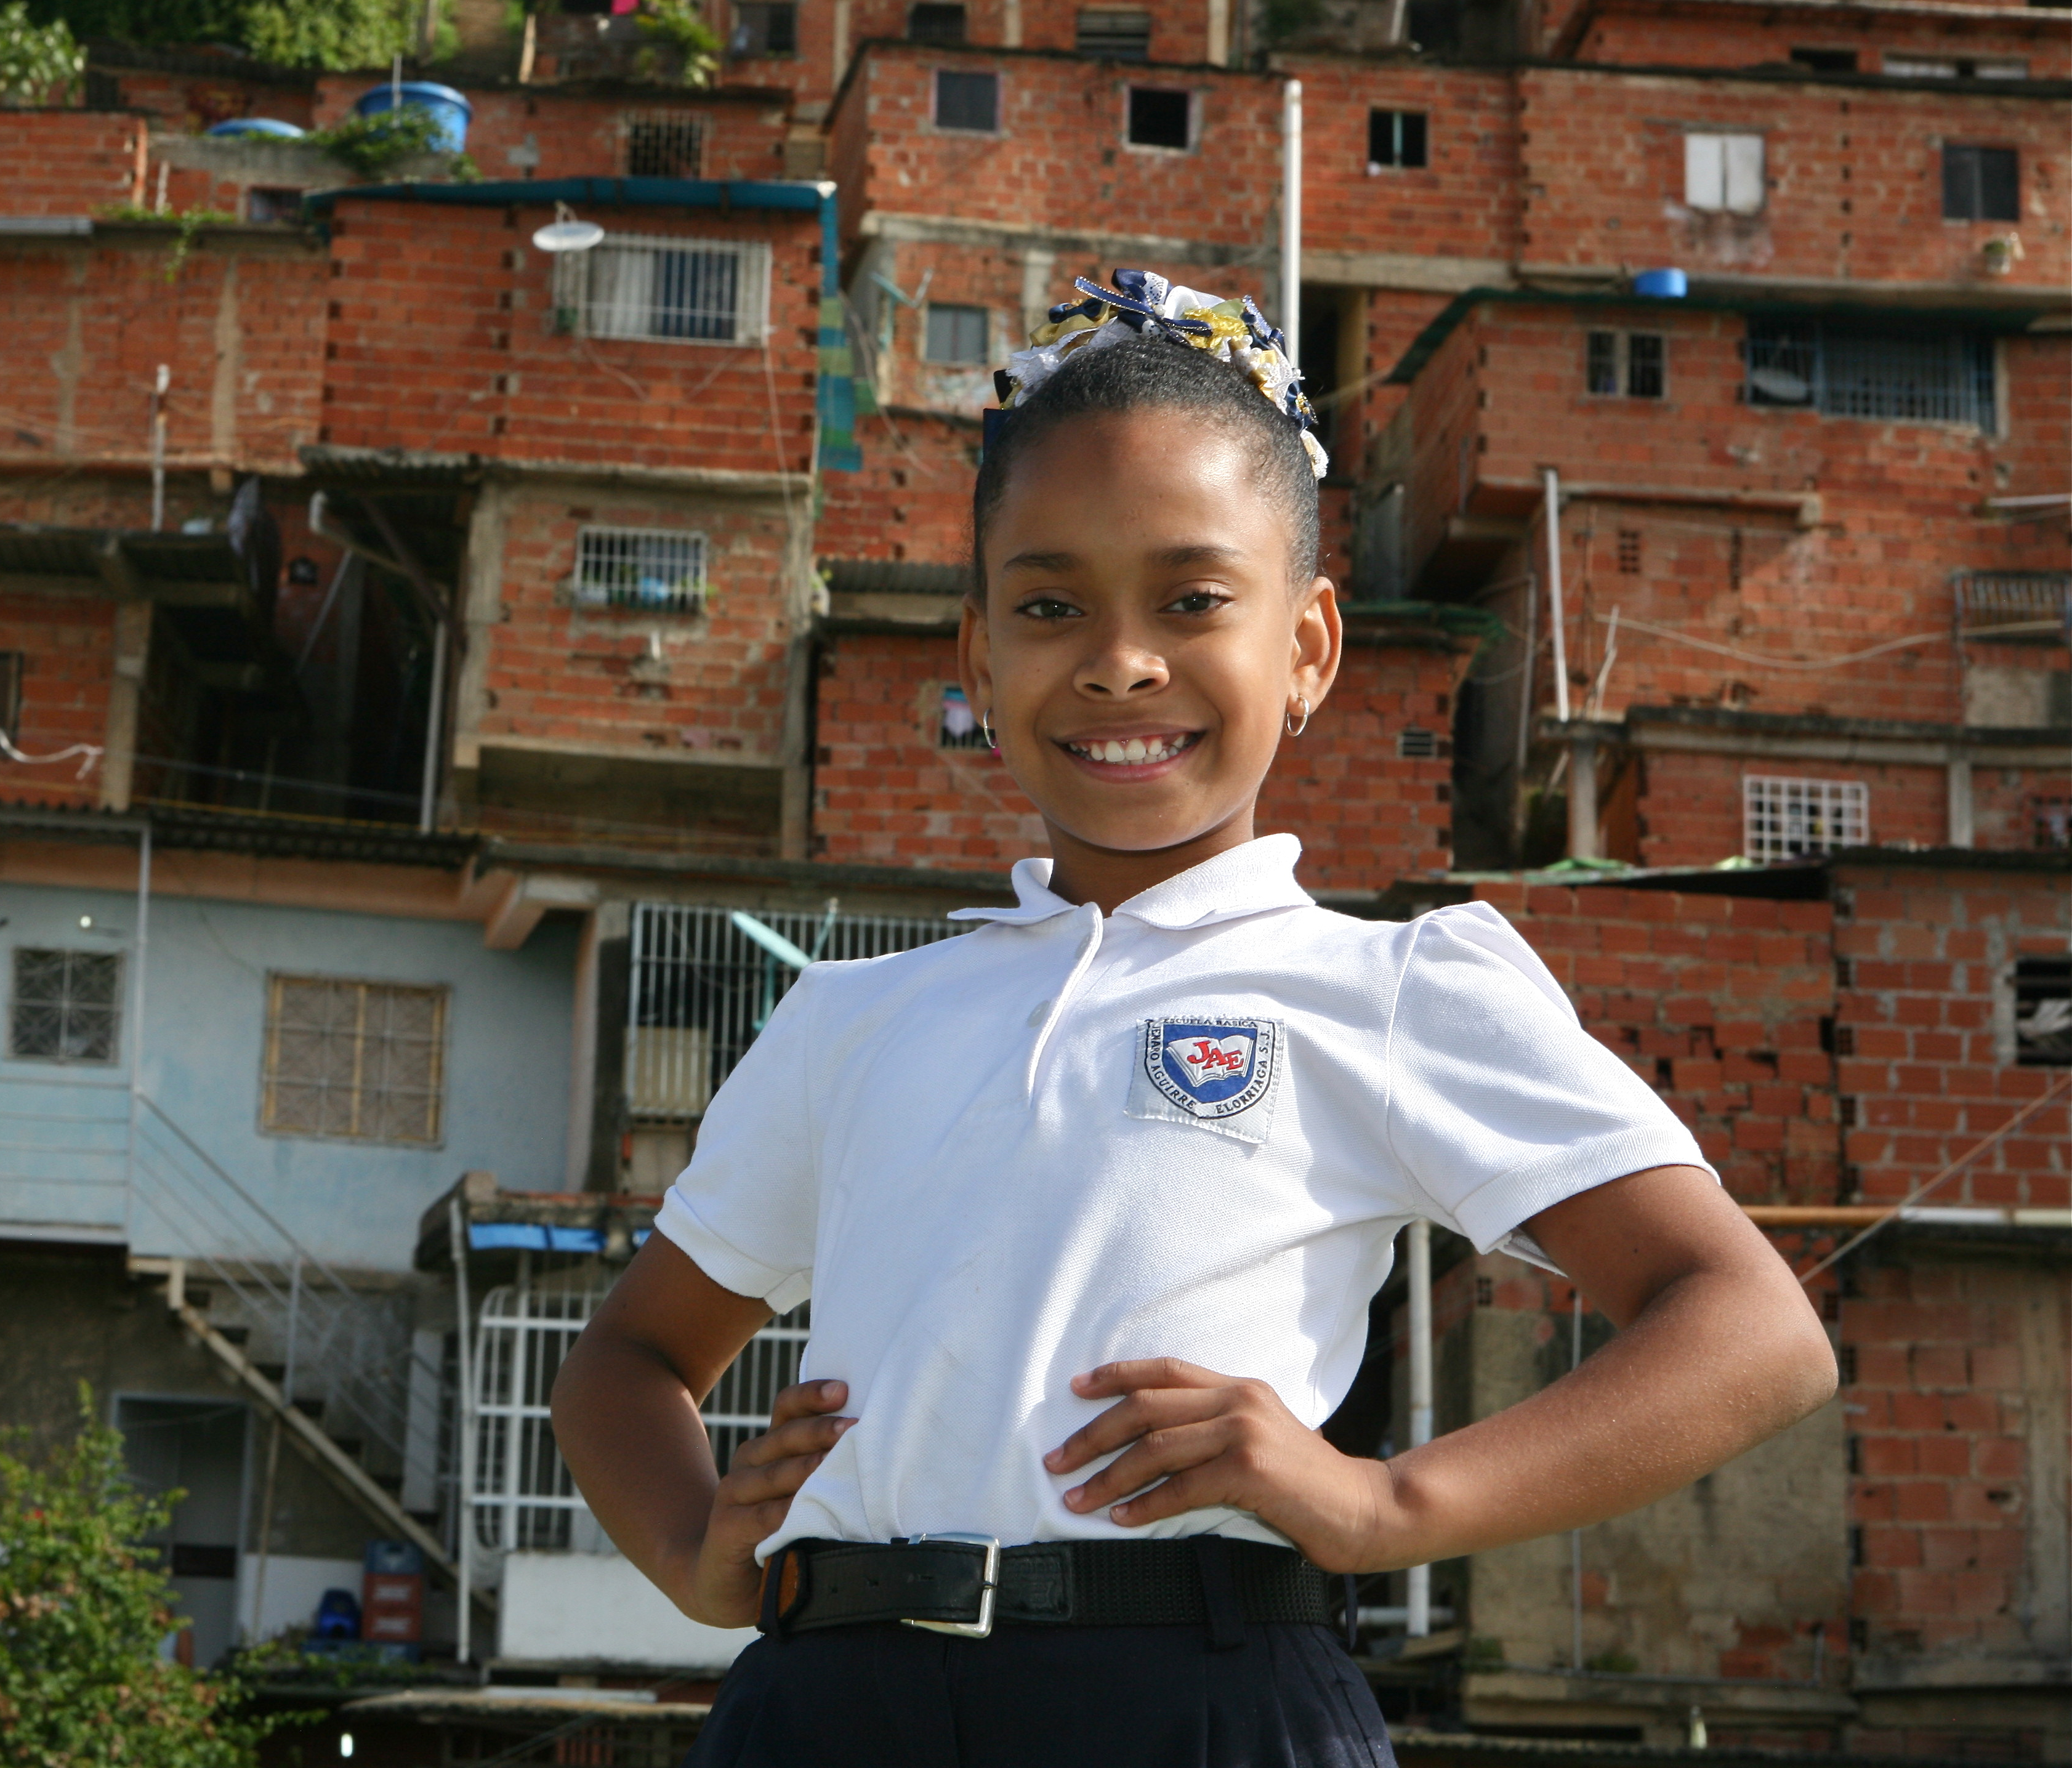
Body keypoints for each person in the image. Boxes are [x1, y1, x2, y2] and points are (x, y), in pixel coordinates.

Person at [549, 270, 1837, 1766]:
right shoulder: (854, 1017)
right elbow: (624, 1362)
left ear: (1307, 649)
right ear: (977, 657)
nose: (1119, 660)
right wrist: (702, 1550)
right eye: (1049, 605)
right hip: (825, 1704)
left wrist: (1383, 1504)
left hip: (1207, 1701)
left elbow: (1751, 1332)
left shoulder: (1393, 986)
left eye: (1192, 598)